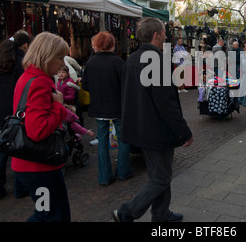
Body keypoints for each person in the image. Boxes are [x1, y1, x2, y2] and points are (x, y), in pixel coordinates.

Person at [113, 17, 193, 223]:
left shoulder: (132, 59)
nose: (166, 35)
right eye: (164, 32)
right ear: (156, 35)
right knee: (161, 177)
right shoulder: (156, 60)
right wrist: (183, 131)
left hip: (141, 127)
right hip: (156, 130)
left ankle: (161, 214)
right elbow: (166, 103)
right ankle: (126, 212)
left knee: (160, 175)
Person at [12, 31, 71, 222]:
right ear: (46, 56)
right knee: (50, 215)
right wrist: (59, 106)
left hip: (34, 165)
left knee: (49, 213)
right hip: (38, 166)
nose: (62, 63)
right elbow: (38, 131)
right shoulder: (39, 82)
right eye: (59, 57)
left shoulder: (29, 76)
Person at [82, 31, 132, 185]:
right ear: (112, 44)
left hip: (99, 107)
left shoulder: (91, 63)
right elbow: (126, 85)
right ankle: (123, 172)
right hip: (117, 107)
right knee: (123, 140)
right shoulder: (118, 63)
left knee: (102, 143)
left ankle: (104, 176)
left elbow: (85, 85)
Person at [0, 32, 31, 201]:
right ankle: (19, 188)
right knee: (17, 148)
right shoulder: (20, 63)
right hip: (14, 110)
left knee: (3, 148)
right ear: (25, 45)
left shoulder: (0, 62)